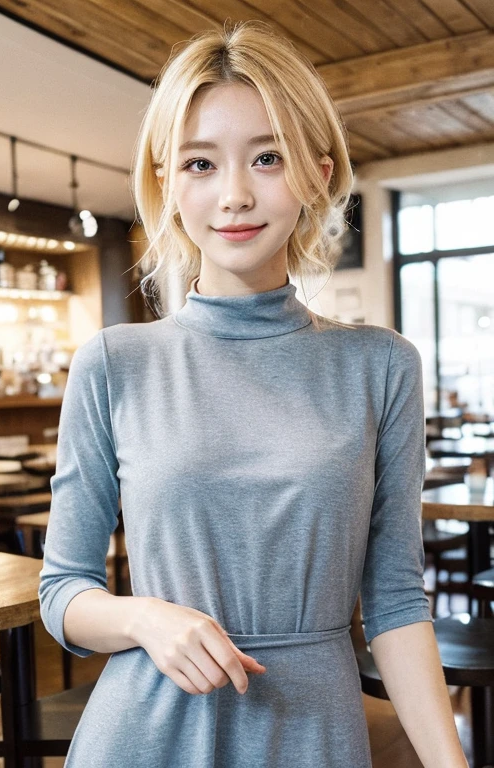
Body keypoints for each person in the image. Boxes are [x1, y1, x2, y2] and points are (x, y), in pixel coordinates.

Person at [39, 20, 468, 768]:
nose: (234, 194)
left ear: (319, 173)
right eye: (200, 163)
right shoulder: (113, 362)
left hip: (314, 735)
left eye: (267, 157)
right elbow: (64, 593)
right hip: (144, 733)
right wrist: (145, 619)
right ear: (167, 183)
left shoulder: (382, 366)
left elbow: (397, 605)